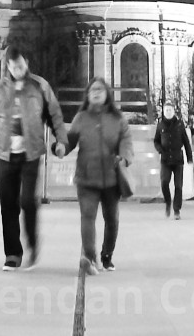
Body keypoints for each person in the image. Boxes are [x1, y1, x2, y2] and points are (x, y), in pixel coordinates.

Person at [0, 44, 68, 269]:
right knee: (8, 204)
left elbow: (54, 114)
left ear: (26, 63)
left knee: (28, 201)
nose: (18, 69)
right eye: (14, 66)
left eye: (21, 65)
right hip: (6, 155)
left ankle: (33, 243)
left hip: (31, 153)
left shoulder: (39, 86)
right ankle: (13, 254)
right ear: (8, 66)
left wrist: (61, 140)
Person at [67, 77, 133, 274]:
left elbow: (127, 142)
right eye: (92, 89)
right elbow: (69, 141)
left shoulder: (118, 118)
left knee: (112, 218)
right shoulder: (81, 118)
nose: (96, 92)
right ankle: (89, 257)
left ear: (107, 95)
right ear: (87, 95)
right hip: (86, 177)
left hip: (112, 178)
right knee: (87, 216)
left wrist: (124, 158)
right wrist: (59, 146)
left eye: (100, 89)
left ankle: (106, 256)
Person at [153, 102, 192, 218]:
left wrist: (189, 157)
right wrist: (160, 150)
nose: (168, 112)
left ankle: (176, 210)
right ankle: (168, 202)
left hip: (178, 159)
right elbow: (156, 141)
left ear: (173, 111)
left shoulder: (180, 124)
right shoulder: (160, 125)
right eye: (166, 110)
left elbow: (186, 142)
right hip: (165, 159)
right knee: (164, 182)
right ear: (163, 112)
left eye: (170, 110)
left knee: (178, 186)